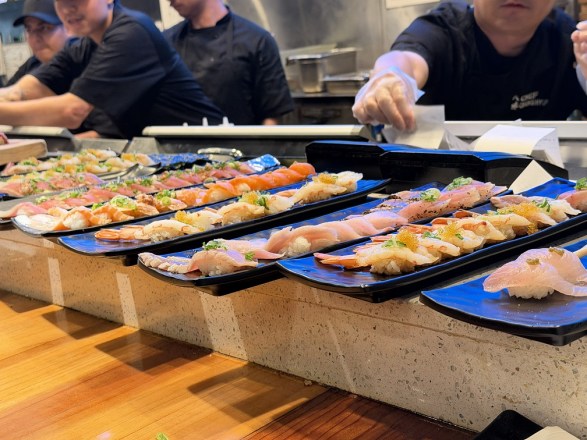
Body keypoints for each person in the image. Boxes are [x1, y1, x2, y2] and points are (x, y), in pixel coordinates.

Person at [0, 0, 224, 140]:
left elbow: (72, 111)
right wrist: (10, 96)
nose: (68, 8)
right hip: (158, 152)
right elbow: (27, 89)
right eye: (61, 1)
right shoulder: (85, 44)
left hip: (205, 149)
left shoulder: (131, 31)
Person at [352, 0, 587, 132]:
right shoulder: (444, 29)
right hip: (436, 188)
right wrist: (390, 78)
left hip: (546, 192)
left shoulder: (568, 39)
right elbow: (406, 59)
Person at [164, 0, 293, 125]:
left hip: (242, 140)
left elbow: (272, 115)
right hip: (181, 139)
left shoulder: (258, 41)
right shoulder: (166, 44)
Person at [7, 0, 122, 138]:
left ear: (68, 27)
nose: (35, 38)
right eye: (29, 30)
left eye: (44, 28)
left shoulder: (96, 62)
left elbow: (102, 133)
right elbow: (12, 93)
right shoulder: (33, 64)